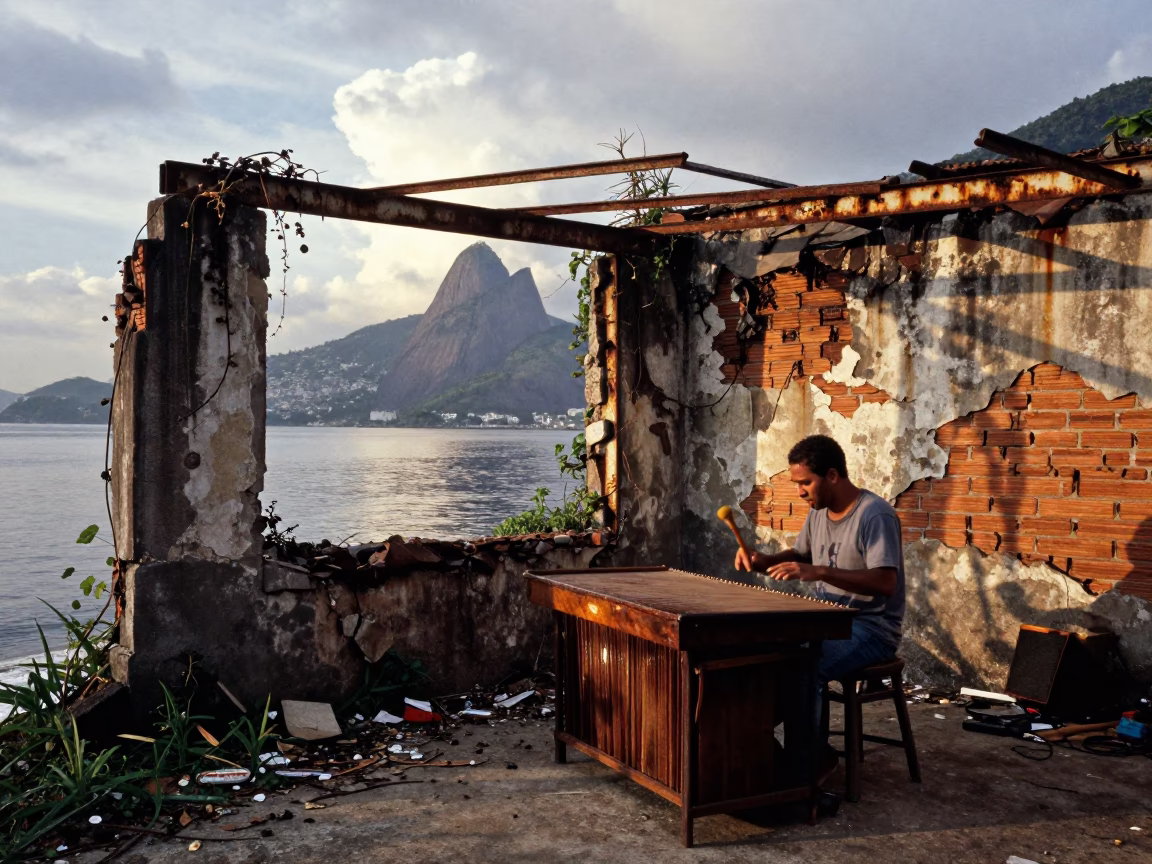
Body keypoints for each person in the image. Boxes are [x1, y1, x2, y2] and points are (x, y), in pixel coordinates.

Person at [734, 433, 905, 709]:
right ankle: (771, 745)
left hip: (871, 629)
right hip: (826, 622)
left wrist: (820, 572)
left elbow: (885, 582)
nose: (800, 491)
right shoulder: (818, 511)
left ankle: (804, 754)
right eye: (797, 484)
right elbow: (801, 555)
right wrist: (764, 561)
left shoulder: (875, 515)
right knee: (769, 654)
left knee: (805, 670)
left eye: (806, 483)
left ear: (832, 475)